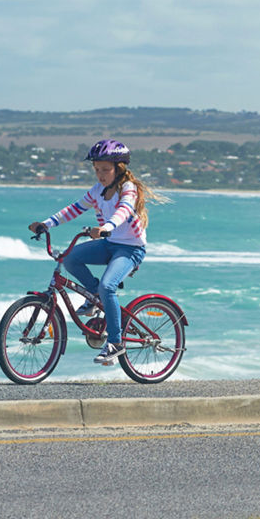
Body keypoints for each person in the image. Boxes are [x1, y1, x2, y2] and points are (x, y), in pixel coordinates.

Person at [28, 139, 164, 365]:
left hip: (131, 249)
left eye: (105, 170)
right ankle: (94, 296)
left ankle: (115, 343)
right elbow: (74, 209)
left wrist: (105, 228)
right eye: (96, 170)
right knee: (70, 258)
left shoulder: (128, 189)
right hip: (108, 244)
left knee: (108, 285)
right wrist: (46, 224)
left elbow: (124, 211)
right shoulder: (98, 190)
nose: (100, 175)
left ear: (119, 168)